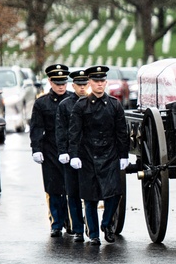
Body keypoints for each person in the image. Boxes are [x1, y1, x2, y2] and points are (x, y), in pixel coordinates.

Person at [68, 65, 129, 245]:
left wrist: (123, 155)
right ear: (90, 83)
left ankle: (106, 224)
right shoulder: (81, 106)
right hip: (88, 155)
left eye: (102, 81)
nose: (100, 84)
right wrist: (74, 155)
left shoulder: (114, 104)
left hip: (109, 154)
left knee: (115, 193)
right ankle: (94, 234)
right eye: (96, 81)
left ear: (106, 82)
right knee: (90, 197)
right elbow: (74, 132)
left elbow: (121, 131)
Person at [30, 64, 72, 237]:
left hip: (70, 148)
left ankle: (71, 221)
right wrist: (36, 148)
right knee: (53, 187)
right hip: (50, 149)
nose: (61, 86)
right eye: (57, 83)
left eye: (63, 82)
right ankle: (56, 222)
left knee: (71, 187)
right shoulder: (42, 103)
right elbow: (37, 127)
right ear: (50, 82)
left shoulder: (73, 100)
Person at [55, 69, 90, 242]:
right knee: (73, 193)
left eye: (85, 84)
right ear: (73, 85)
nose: (83, 88)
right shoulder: (65, 105)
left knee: (90, 194)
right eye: (79, 85)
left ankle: (91, 228)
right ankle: (77, 228)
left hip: (90, 154)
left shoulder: (93, 103)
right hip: (71, 154)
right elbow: (61, 131)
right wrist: (63, 151)